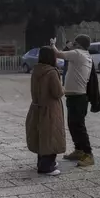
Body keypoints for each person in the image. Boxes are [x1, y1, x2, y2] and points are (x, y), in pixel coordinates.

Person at [51, 34, 95, 167]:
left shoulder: (78, 53)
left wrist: (53, 43)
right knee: (73, 125)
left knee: (79, 126)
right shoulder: (84, 54)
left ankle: (88, 154)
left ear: (78, 44)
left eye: (75, 42)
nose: (73, 43)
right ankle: (79, 150)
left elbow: (58, 54)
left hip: (78, 97)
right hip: (75, 96)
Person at [26, 47, 66, 176]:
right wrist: (64, 88)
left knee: (40, 135)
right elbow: (57, 92)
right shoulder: (51, 72)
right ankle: (46, 166)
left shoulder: (36, 70)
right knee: (51, 135)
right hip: (50, 108)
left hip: (37, 106)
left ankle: (42, 162)